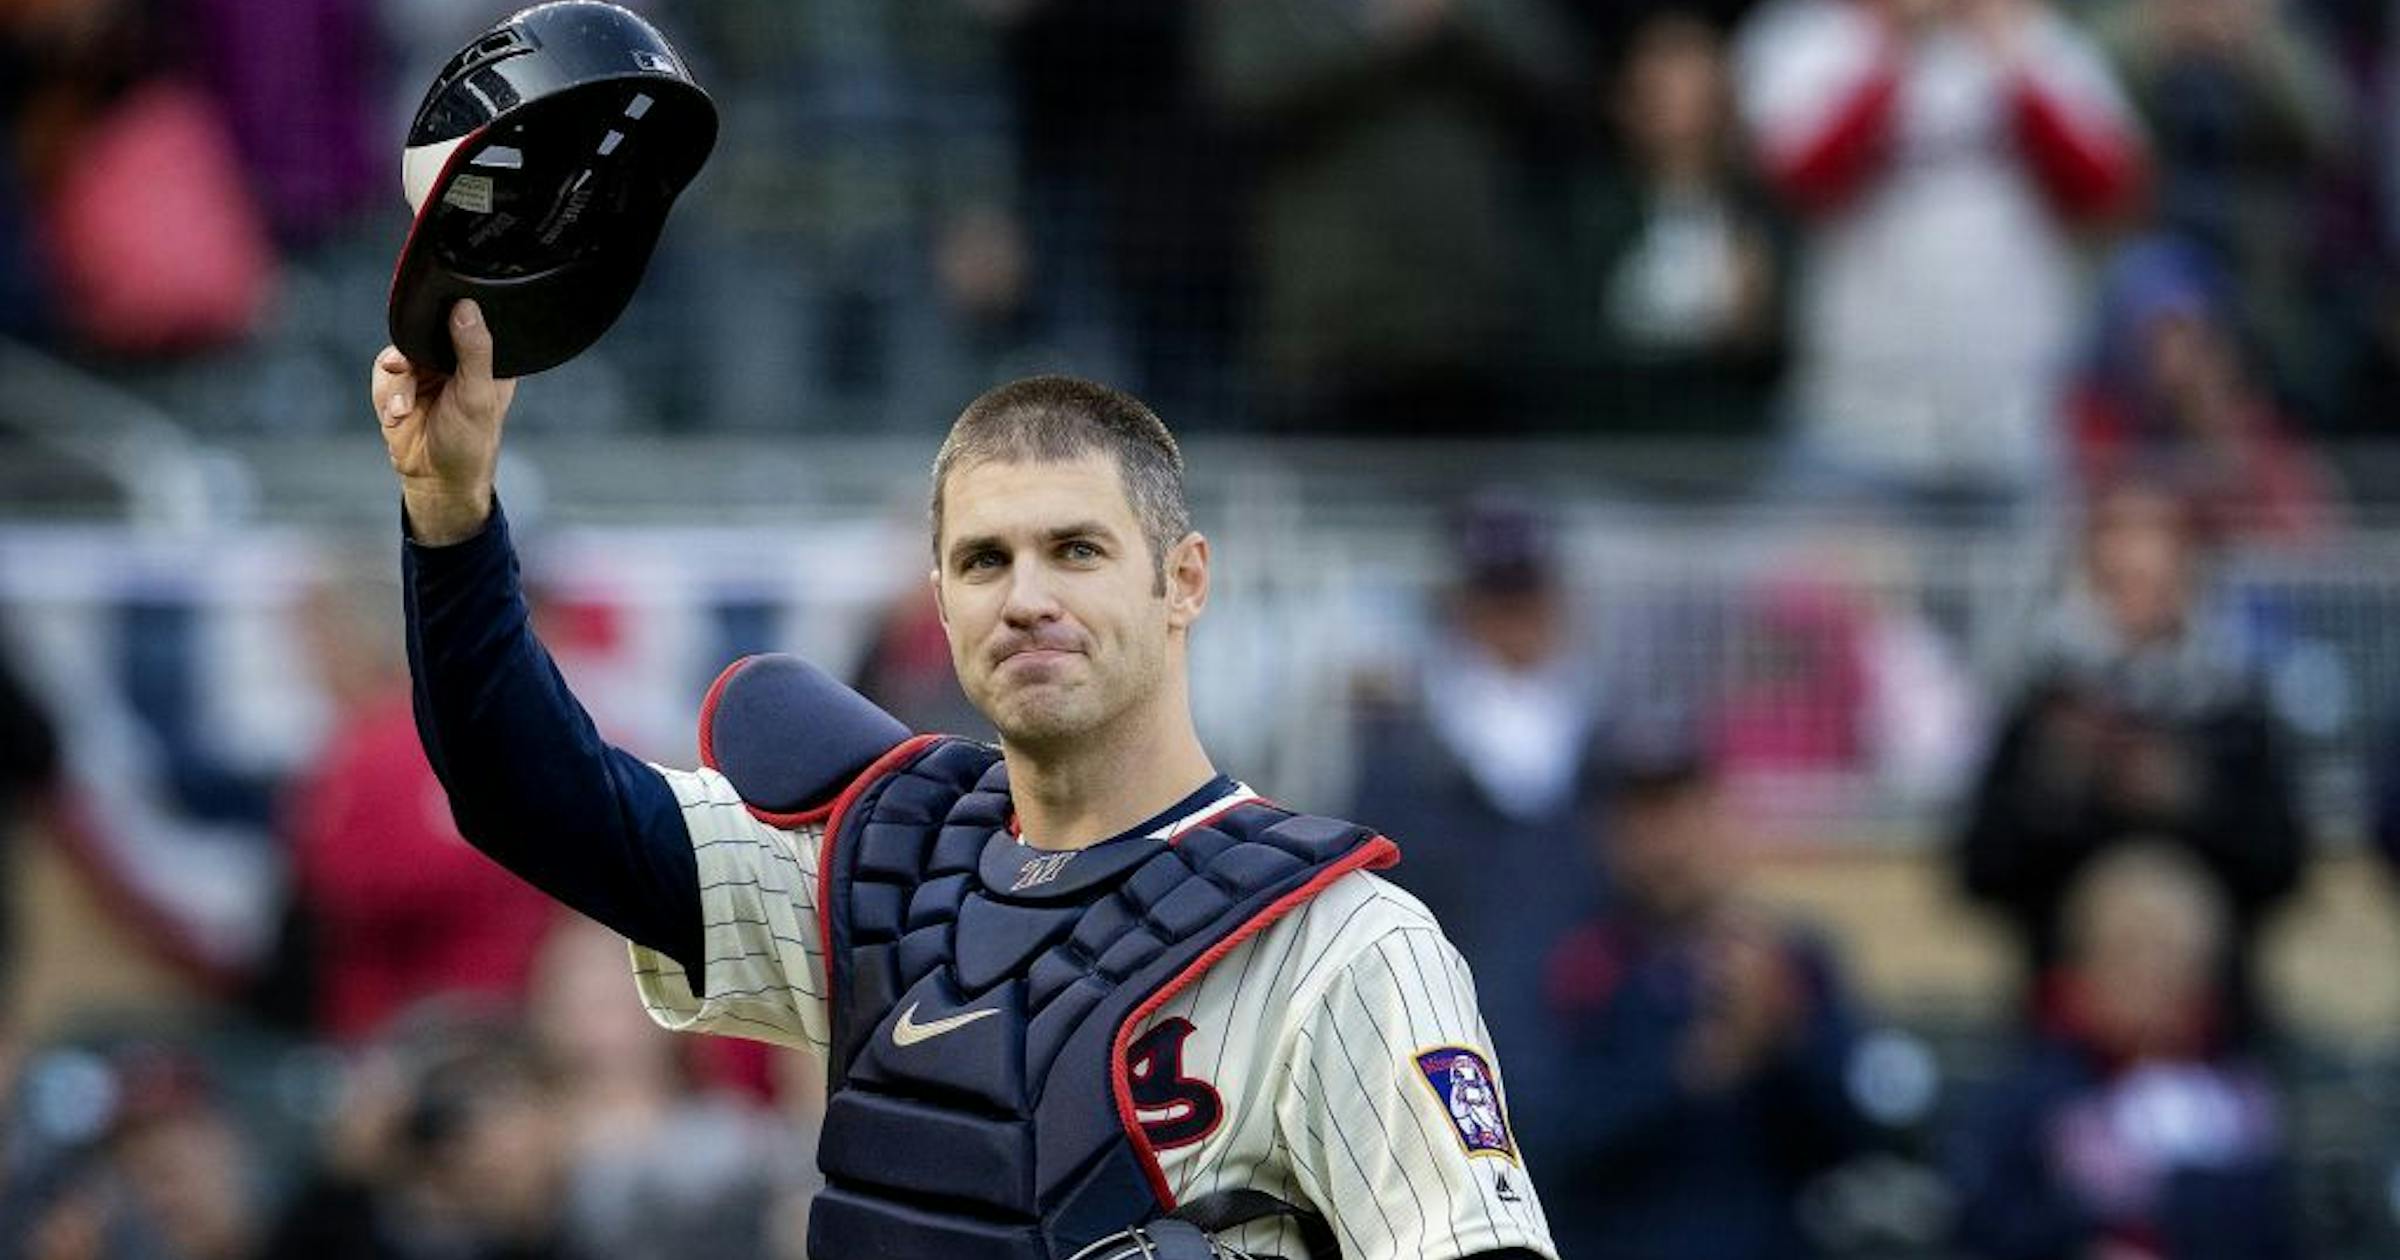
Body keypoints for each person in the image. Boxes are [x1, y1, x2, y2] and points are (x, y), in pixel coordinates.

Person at [367, 300, 1556, 1260]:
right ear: (940, 601)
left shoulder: (1342, 943)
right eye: (985, 560)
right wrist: (452, 513)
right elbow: (532, 796)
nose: (1027, 596)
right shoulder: (884, 867)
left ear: (1184, 579)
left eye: (1077, 550)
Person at [1956, 477, 2310, 1036]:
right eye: (2118, 580)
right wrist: (2060, 796)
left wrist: (2193, 801)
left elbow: (2283, 868)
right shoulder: (2043, 709)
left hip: (2214, 1025)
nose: (2136, 600)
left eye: (2155, 578)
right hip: (2066, 1027)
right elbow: (1980, 870)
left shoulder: (2232, 710)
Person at [1540, 735, 1869, 1260]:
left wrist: (1783, 1037)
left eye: (1683, 812)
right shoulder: (1576, 964)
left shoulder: (1790, 961)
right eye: (1643, 818)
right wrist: (1693, 1070)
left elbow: (1855, 1136)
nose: (1667, 843)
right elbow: (1547, 1138)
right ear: (1609, 836)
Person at [1948, 842, 2302, 1260]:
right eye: (2129, 954)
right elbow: (1983, 1228)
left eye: (2174, 959)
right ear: (2085, 965)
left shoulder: (2239, 1099)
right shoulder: (2027, 1096)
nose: (2153, 977)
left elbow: (2275, 1234)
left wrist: (2173, 1188)